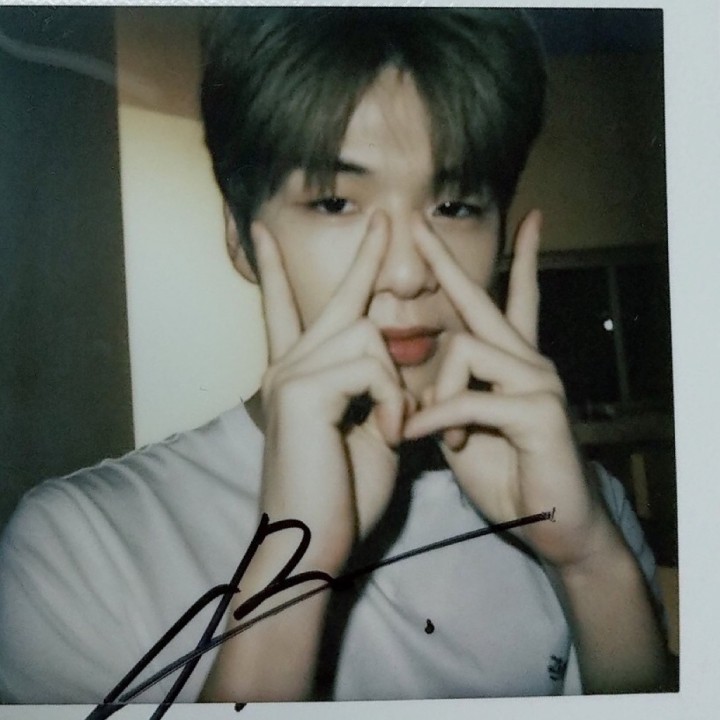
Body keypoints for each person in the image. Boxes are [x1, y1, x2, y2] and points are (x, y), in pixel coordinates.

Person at [0, 7, 669, 706]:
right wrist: (293, 565)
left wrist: (591, 566)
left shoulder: (586, 511)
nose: (407, 273)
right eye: (334, 202)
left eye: (454, 205)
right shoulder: (79, 552)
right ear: (240, 236)